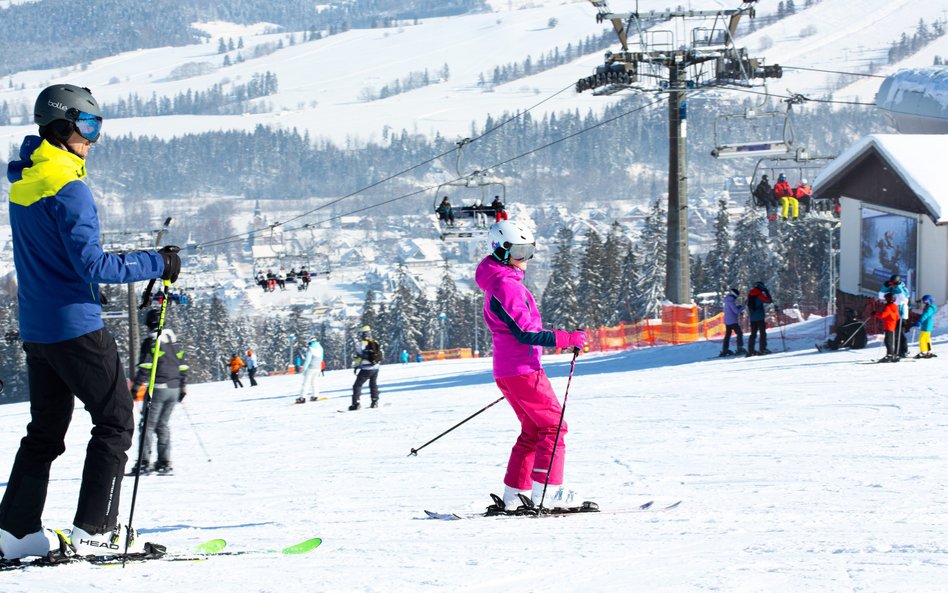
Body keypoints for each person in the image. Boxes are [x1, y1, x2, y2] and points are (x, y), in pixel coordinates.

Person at [0, 84, 181, 560]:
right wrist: (157, 263)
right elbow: (94, 266)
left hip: (38, 329)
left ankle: (16, 534)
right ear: (62, 126)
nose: (93, 138)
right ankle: (96, 529)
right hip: (75, 328)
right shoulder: (70, 187)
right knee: (116, 423)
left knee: (44, 433)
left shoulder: (26, 181)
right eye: (88, 125)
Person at [475, 219, 588, 511]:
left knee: (533, 431)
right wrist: (568, 338)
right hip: (522, 370)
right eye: (520, 252)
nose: (527, 259)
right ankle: (549, 493)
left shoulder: (501, 282)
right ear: (500, 251)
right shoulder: (505, 286)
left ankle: (515, 495)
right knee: (553, 428)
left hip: (511, 370)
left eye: (530, 250)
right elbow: (524, 332)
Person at [129, 309, 188, 476]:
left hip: (159, 388)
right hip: (174, 389)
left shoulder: (152, 341)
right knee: (162, 425)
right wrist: (182, 386)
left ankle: (144, 463)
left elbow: (146, 366)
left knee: (147, 425)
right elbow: (183, 365)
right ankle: (164, 462)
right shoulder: (174, 341)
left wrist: (136, 387)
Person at [349, 326, 382, 410]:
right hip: (376, 367)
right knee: (373, 384)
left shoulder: (362, 344)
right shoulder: (375, 341)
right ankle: (375, 401)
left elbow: (358, 356)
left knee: (357, 385)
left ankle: (356, 403)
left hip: (366, 368)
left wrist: (355, 363)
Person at [878, 274, 910, 358]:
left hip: (901, 315)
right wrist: (884, 287)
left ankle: (903, 351)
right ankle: (895, 351)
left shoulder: (904, 289)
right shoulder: (891, 289)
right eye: (892, 283)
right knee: (894, 334)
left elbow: (903, 298)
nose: (892, 285)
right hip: (893, 316)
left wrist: (898, 286)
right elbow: (881, 296)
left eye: (894, 283)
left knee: (900, 334)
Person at [746, 281, 773, 356]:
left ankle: (750, 350)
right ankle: (762, 349)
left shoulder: (750, 294)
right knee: (762, 333)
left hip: (752, 318)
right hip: (760, 317)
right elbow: (769, 301)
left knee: (753, 334)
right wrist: (767, 293)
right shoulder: (759, 295)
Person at [874, 293, 900, 362]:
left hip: (888, 325)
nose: (885, 300)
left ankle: (890, 355)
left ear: (888, 299)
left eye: (886, 299)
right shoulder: (895, 307)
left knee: (888, 341)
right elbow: (897, 317)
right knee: (890, 341)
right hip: (892, 325)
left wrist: (875, 313)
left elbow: (883, 315)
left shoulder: (888, 307)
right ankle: (892, 355)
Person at [296, 339, 324, 404]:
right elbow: (321, 359)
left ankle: (302, 398)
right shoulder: (320, 348)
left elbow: (307, 360)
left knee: (305, 383)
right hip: (318, 368)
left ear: (310, 343)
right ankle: (315, 396)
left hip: (311, 368)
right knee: (314, 382)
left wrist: (304, 369)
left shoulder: (310, 349)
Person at [720, 288, 746, 356]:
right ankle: (740, 348)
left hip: (727, 321)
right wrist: (743, 306)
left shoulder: (727, 300)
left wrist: (738, 306)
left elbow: (732, 309)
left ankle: (725, 349)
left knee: (727, 335)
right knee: (739, 334)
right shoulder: (731, 301)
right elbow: (736, 311)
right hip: (733, 321)